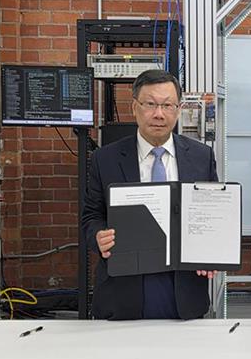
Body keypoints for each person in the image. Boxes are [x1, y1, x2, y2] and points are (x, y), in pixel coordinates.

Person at [82, 69, 217, 320]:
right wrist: (98, 236)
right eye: (150, 104)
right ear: (135, 107)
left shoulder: (202, 157)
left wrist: (210, 252)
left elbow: (210, 216)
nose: (159, 114)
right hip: (123, 292)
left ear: (178, 109)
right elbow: (91, 216)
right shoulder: (105, 158)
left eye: (167, 105)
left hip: (184, 293)